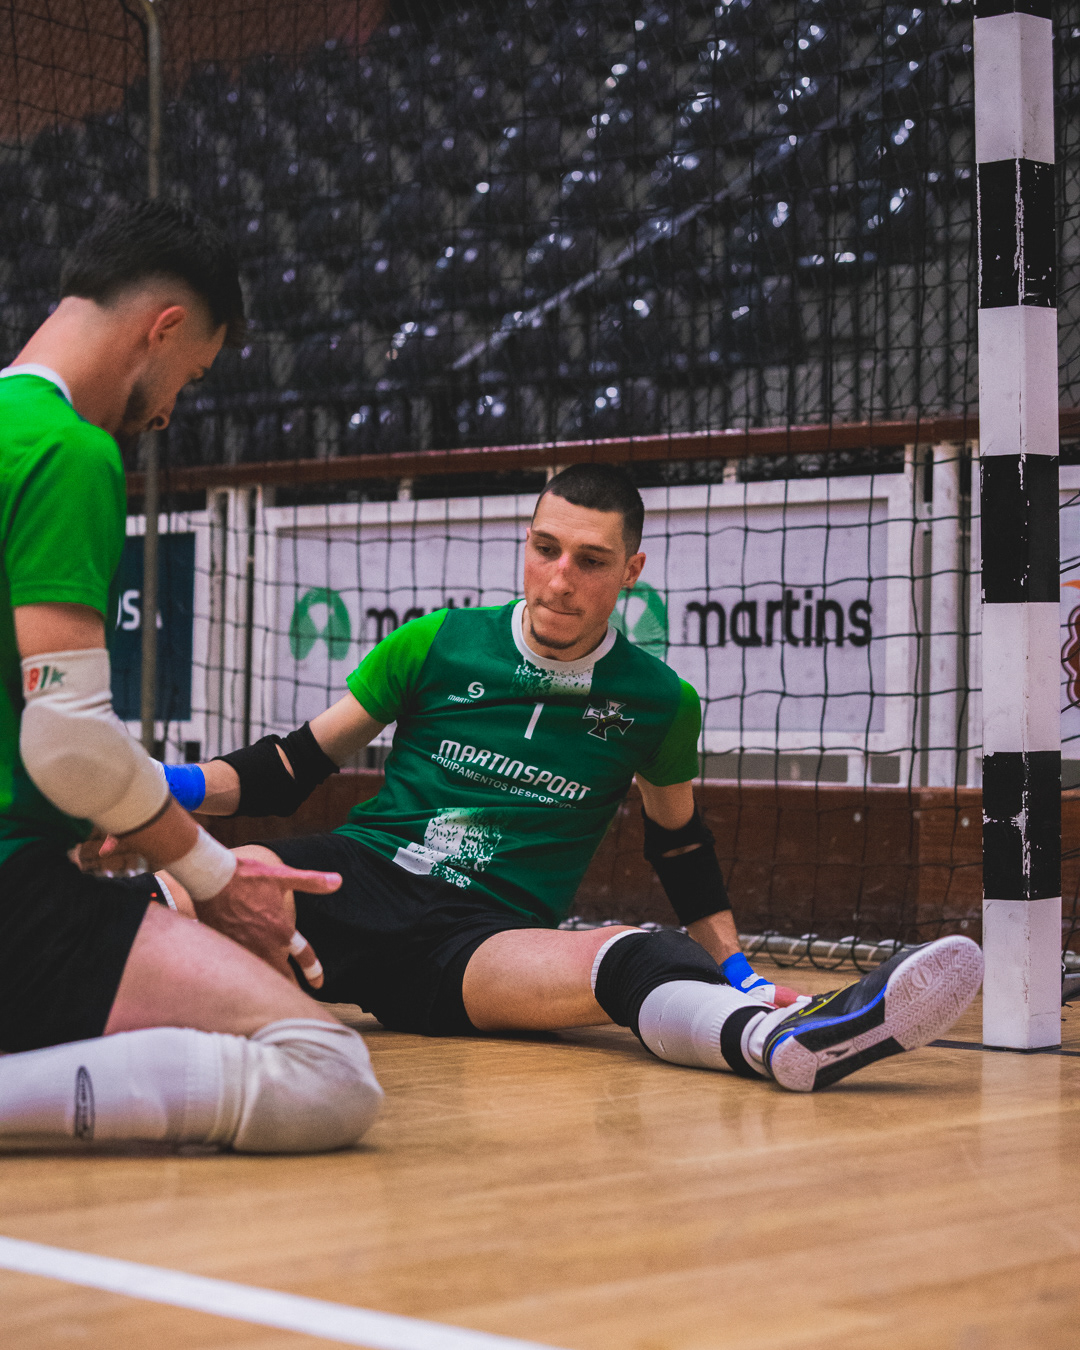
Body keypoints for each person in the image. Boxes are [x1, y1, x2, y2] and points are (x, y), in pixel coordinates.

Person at [173, 463, 984, 1092]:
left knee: (629, 955)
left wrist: (738, 971)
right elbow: (287, 770)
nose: (561, 579)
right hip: (363, 878)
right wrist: (147, 789)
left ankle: (780, 1042)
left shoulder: (658, 700)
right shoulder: (436, 642)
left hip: (485, 938)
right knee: (195, 884)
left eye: (591, 561)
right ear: (527, 544)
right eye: (546, 549)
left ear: (631, 570)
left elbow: (680, 845)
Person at [0, 201, 383, 1151]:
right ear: (162, 328)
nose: (171, 409)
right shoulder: (65, 448)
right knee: (328, 1073)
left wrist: (105, 823)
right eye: (192, 375)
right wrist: (213, 874)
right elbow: (69, 744)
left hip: (36, 865)